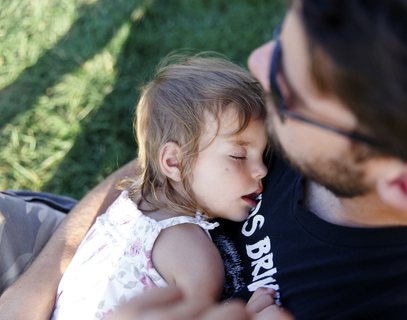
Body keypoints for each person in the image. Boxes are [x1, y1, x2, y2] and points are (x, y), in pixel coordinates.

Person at [2, 0, 407, 319]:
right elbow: (158, 167)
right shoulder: (309, 131)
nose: (256, 63)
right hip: (98, 240)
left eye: (291, 86)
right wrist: (39, 284)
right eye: (281, 33)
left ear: (403, 185)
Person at [49, 53, 277, 320]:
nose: (262, 169)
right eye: (239, 156)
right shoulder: (195, 258)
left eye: (263, 154)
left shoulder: (127, 202)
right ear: (174, 162)